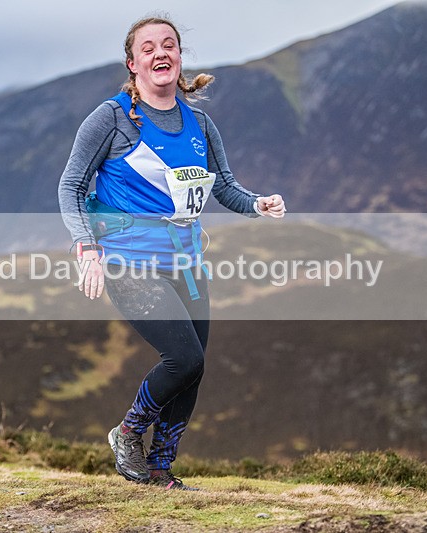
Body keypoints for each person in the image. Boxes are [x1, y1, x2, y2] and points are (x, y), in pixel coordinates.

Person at [58, 15, 285, 490]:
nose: (160, 53)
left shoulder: (199, 123)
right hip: (127, 260)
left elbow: (223, 186)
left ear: (179, 58)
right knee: (182, 358)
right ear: (133, 62)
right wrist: (86, 250)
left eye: (170, 45)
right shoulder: (112, 118)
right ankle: (128, 433)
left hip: (186, 261)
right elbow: (72, 185)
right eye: (149, 48)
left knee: (194, 368)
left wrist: (257, 204)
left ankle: (161, 470)